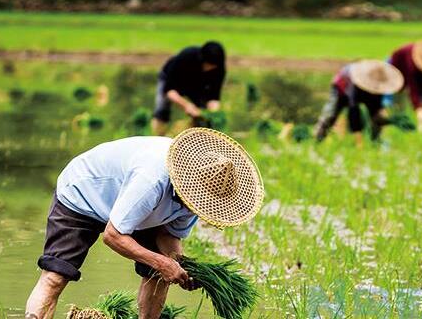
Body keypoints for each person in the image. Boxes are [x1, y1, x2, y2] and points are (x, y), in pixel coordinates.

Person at [25, 128, 264, 319]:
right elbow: (113, 235)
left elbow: (169, 237)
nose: (199, 207)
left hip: (137, 207)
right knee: (56, 276)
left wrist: (180, 266)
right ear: (186, 183)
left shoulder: (199, 197)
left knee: (161, 274)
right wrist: (161, 262)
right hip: (83, 193)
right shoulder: (152, 179)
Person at [315, 60, 403, 146]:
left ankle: (376, 142)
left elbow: (376, 108)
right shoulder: (355, 83)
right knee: (331, 114)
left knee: (377, 117)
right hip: (341, 87)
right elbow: (353, 110)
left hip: (360, 90)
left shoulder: (379, 86)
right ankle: (317, 140)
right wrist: (359, 141)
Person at [151, 42, 226, 135]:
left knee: (201, 117)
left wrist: (212, 114)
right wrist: (186, 105)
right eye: (209, 65)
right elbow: (169, 91)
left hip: (196, 84)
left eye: (214, 67)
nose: (211, 69)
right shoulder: (186, 57)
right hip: (173, 80)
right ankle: (157, 138)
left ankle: (192, 142)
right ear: (202, 60)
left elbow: (214, 96)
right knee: (162, 111)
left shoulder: (218, 67)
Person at [388, 39, 422, 132]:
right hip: (393, 67)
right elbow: (413, 87)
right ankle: (397, 127)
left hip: (412, 72)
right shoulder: (411, 65)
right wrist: (418, 107)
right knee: (395, 103)